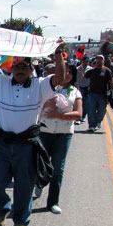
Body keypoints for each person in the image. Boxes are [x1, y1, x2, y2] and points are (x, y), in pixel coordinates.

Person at [0, 35, 66, 226]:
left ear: (31, 70)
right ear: (10, 69)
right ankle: (2, 209)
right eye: (17, 66)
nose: (20, 70)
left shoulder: (40, 85)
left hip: (26, 145)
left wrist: (59, 52)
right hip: (2, 143)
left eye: (25, 67)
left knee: (24, 186)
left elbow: (60, 77)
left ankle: (21, 220)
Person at [35, 64, 83, 214]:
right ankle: (39, 183)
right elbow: (35, 109)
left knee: (58, 168)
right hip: (44, 131)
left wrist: (58, 115)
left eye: (70, 72)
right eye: (64, 71)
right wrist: (46, 106)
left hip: (64, 134)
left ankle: (53, 202)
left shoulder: (75, 92)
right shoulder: (46, 88)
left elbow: (78, 114)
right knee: (41, 163)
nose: (66, 74)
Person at [84, 54, 113, 132]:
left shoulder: (106, 71)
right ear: (96, 61)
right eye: (97, 59)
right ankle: (91, 125)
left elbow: (111, 82)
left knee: (102, 110)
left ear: (103, 60)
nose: (98, 60)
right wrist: (81, 71)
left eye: (100, 59)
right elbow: (83, 77)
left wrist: (112, 91)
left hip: (103, 94)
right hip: (92, 94)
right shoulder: (91, 71)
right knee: (91, 110)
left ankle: (98, 121)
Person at [75, 56, 92, 125]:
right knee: (79, 103)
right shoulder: (77, 69)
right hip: (79, 88)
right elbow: (75, 79)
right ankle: (78, 118)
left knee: (86, 103)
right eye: (84, 61)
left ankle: (83, 116)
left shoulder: (90, 69)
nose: (85, 63)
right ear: (82, 62)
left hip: (87, 88)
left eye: (87, 62)